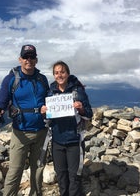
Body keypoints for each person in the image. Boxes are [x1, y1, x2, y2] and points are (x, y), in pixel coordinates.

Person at [0, 44, 49, 196]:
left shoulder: (42, 80)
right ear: (20, 59)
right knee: (15, 170)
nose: (28, 60)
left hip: (42, 131)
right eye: (25, 57)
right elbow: (2, 102)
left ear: (36, 60)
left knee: (38, 170)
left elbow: (50, 100)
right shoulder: (11, 79)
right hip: (20, 132)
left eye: (31, 57)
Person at [41, 61, 93, 196]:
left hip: (74, 140)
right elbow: (47, 120)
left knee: (74, 176)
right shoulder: (51, 92)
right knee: (61, 176)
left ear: (68, 73)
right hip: (57, 141)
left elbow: (89, 114)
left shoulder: (77, 91)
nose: (59, 75)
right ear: (53, 75)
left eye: (62, 72)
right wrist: (44, 112)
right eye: (56, 73)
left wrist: (81, 108)